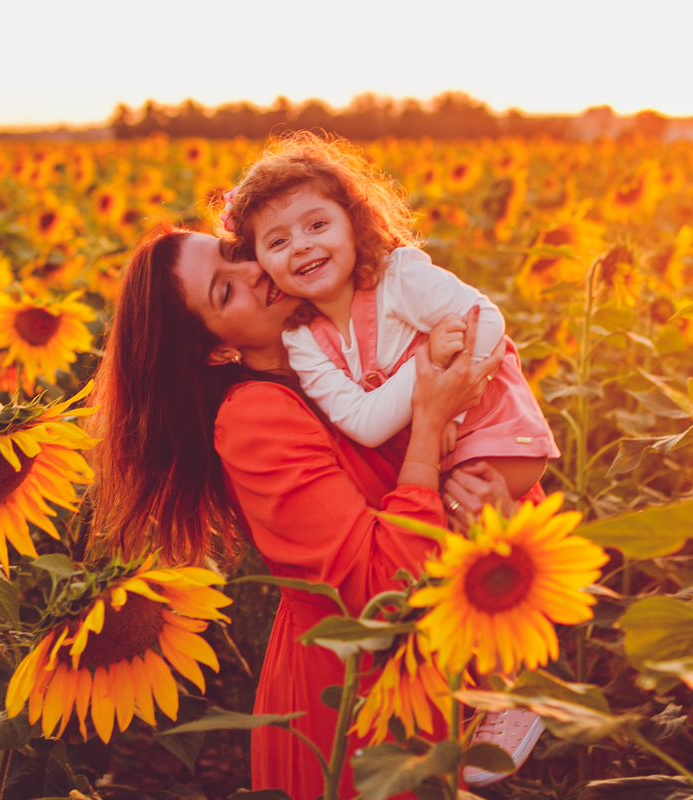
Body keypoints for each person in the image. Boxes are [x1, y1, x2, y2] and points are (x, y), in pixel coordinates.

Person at [86, 225, 532, 796]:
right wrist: (427, 424)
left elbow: (495, 442)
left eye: (235, 256)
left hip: (439, 661)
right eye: (225, 292)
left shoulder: (348, 341)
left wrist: (496, 506)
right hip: (352, 692)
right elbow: (379, 588)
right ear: (221, 348)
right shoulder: (255, 420)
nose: (253, 274)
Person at [220, 133, 560, 506]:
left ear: (353, 222)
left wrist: (454, 413)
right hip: (430, 460)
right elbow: (365, 425)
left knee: (467, 523)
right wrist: (431, 361)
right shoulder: (301, 339)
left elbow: (488, 324)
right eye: (278, 242)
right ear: (260, 263)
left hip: (495, 432)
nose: (301, 244)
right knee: (441, 532)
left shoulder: (397, 277)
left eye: (317, 225)